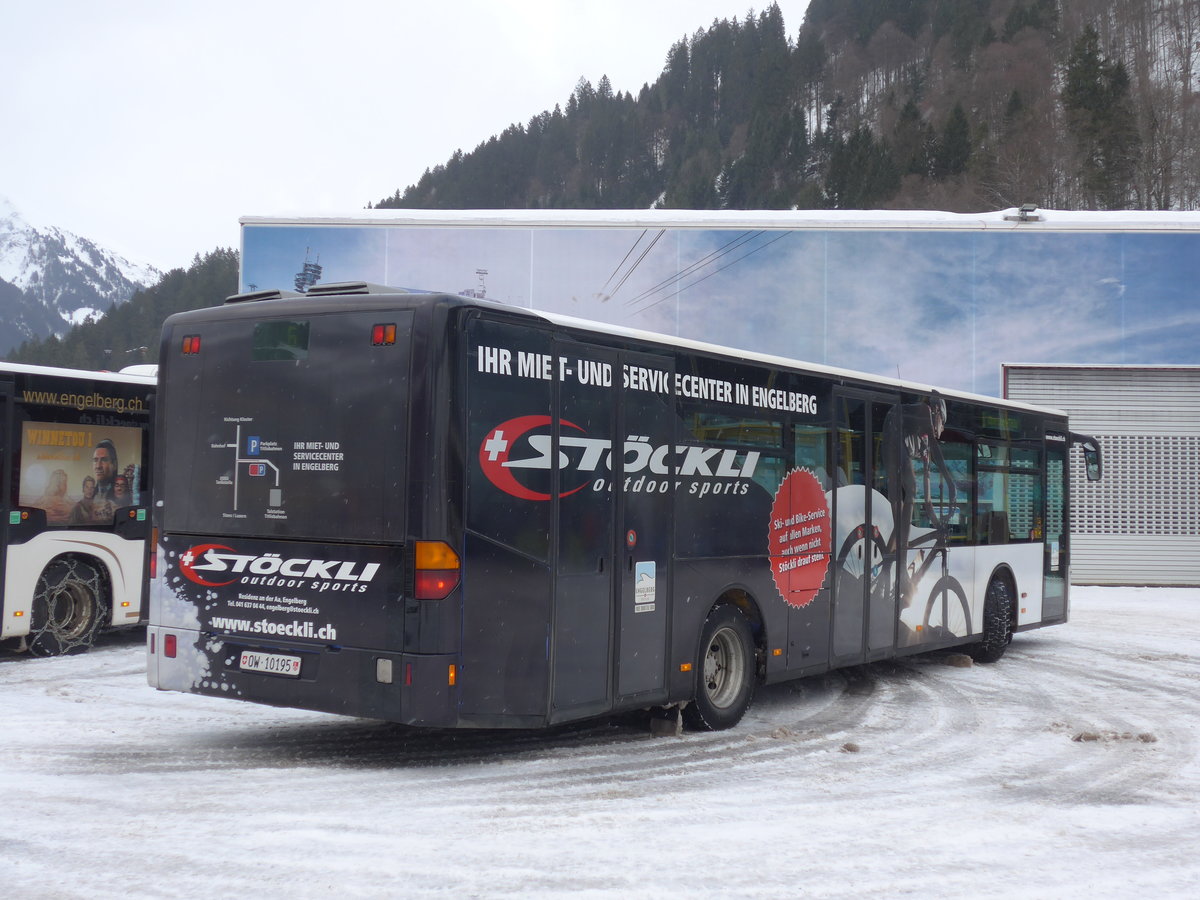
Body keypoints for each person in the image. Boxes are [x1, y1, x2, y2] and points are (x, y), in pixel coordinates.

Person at [881, 391, 957, 608]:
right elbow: (935, 446)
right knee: (909, 491)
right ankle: (902, 570)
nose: (938, 428)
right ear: (937, 413)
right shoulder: (924, 411)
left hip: (899, 447)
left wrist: (933, 516)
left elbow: (926, 485)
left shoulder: (922, 444)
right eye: (940, 422)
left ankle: (889, 561)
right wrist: (951, 483)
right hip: (891, 434)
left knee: (904, 512)